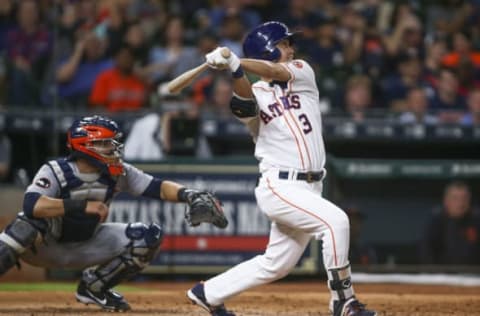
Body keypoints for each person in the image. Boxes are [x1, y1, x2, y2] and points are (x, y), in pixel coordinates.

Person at [187, 21, 377, 316]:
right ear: (266, 50)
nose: (290, 49)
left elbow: (275, 71)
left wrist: (234, 60)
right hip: (280, 186)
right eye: (283, 44)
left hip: (310, 186)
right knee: (336, 222)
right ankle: (343, 301)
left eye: (289, 44)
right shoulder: (254, 93)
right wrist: (234, 69)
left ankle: (207, 293)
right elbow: (245, 102)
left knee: (277, 264)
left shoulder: (302, 72)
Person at [0, 115, 226, 312]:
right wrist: (82, 205)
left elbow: (157, 187)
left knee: (148, 236)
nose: (113, 148)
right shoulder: (55, 170)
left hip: (88, 245)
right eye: (105, 143)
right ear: (86, 146)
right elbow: (32, 205)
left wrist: (189, 194)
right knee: (23, 225)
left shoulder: (118, 172)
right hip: (45, 246)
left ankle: (94, 287)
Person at [419, 181, 480, 265]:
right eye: (455, 198)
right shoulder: (436, 221)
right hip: (442, 275)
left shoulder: (476, 220)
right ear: (446, 201)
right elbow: (426, 252)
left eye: (464, 198)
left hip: (473, 274)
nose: (460, 203)